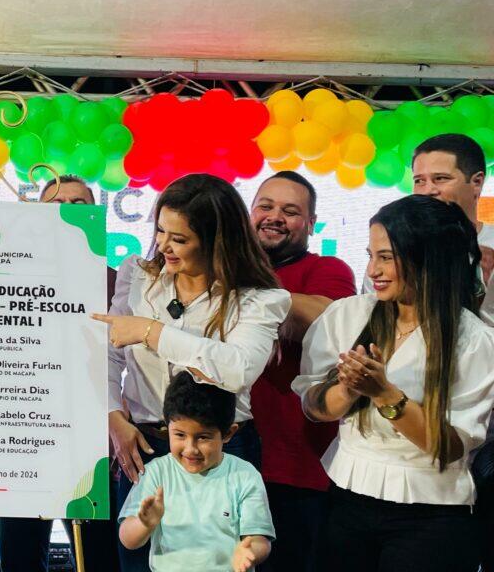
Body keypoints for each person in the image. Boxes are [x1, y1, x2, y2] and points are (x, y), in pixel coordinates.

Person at [93, 173, 291, 571]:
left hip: (221, 448)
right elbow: (109, 355)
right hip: (144, 443)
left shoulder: (260, 298)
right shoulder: (138, 274)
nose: (163, 245)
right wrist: (113, 417)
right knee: (139, 558)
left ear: (217, 240)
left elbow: (237, 369)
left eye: (179, 239)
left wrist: (152, 332)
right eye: (160, 231)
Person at [293, 195, 494, 571]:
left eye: (386, 257)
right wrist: (347, 389)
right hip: (347, 500)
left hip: (433, 514)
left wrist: (385, 394)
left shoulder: (474, 341)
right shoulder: (348, 315)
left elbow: (448, 446)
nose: (373, 270)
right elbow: (315, 408)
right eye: (370, 255)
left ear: (428, 258)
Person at [0, 175, 119, 572]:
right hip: (19, 441)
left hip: (92, 445)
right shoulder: (6, 276)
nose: (67, 211)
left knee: (100, 558)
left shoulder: (116, 282)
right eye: (55, 204)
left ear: (96, 215)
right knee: (19, 559)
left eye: (79, 204)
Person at [247, 171, 355, 572]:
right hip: (228, 463)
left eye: (290, 211)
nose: (275, 216)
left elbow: (329, 319)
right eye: (265, 206)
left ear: (311, 224)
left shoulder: (329, 268)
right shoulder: (219, 272)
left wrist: (243, 290)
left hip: (301, 472)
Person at [118, 372, 274, 572]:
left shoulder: (245, 475)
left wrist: (250, 551)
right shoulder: (156, 472)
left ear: (228, 433)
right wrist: (144, 524)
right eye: (180, 435)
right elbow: (127, 538)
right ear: (167, 427)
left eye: (203, 437)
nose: (190, 449)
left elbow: (260, 539)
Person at [363, 133, 493, 292]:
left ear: (477, 182)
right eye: (419, 181)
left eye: (440, 178)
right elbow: (373, 305)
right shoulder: (392, 248)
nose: (427, 191)